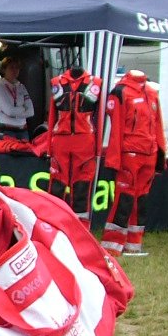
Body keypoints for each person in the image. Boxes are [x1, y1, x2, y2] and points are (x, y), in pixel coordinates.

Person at [100, 69, 165, 256]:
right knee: (124, 199)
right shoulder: (120, 92)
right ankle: (112, 245)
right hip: (130, 154)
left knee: (141, 200)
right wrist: (115, 158)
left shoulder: (152, 93)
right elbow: (116, 129)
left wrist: (160, 153)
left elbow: (158, 124)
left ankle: (134, 244)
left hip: (149, 153)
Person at [47, 61, 103, 224]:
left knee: (82, 185)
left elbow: (98, 118)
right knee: (57, 185)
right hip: (61, 141)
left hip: (85, 141)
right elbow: (52, 116)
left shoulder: (96, 83)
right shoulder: (56, 82)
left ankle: (81, 229)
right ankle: (54, 224)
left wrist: (98, 148)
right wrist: (49, 148)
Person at [0, 47, 35, 139]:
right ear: (4, 70)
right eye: (11, 67)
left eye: (17, 68)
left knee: (25, 153)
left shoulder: (21, 87)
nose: (15, 70)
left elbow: (31, 112)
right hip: (7, 131)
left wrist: (16, 111)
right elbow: (9, 111)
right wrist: (23, 109)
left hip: (23, 130)